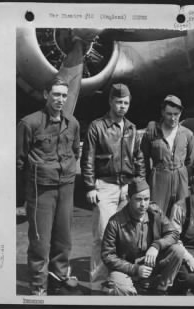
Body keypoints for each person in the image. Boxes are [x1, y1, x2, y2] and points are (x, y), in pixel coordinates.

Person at [16, 77, 82, 296]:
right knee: (40, 242)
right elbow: (19, 161)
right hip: (40, 188)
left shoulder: (72, 123)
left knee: (63, 239)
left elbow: (75, 151)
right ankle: (38, 286)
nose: (60, 99)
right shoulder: (29, 123)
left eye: (64, 95)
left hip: (66, 186)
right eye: (56, 94)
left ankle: (58, 278)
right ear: (46, 95)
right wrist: (20, 198)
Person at [81, 83, 145, 292]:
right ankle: (98, 282)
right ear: (110, 102)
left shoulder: (131, 128)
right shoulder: (97, 126)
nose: (122, 106)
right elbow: (87, 158)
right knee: (102, 236)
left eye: (126, 103)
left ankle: (121, 279)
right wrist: (90, 186)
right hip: (105, 186)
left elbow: (139, 159)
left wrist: (140, 185)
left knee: (125, 237)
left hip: (126, 188)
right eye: (118, 102)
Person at [100, 178, 184, 295]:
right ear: (129, 199)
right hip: (126, 270)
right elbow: (107, 255)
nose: (143, 204)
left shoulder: (155, 212)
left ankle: (161, 290)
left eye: (146, 199)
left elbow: (173, 233)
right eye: (138, 199)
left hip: (150, 264)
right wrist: (134, 269)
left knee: (177, 250)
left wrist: (156, 246)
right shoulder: (115, 222)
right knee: (120, 287)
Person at [141, 95, 194, 216]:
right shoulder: (151, 132)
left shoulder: (187, 134)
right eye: (169, 114)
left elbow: (190, 161)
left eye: (176, 114)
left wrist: (185, 180)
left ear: (180, 113)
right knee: (157, 215)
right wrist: (146, 182)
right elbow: (143, 159)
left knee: (181, 214)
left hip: (181, 179)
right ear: (162, 113)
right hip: (159, 178)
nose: (173, 118)